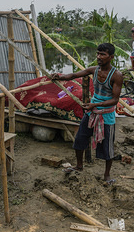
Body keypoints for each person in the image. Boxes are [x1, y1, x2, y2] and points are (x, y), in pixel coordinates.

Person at [51, 43, 122, 184]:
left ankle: (107, 175)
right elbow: (74, 75)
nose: (99, 57)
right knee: (80, 139)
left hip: (106, 115)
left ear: (111, 57)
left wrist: (95, 104)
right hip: (91, 112)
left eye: (103, 54)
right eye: (98, 53)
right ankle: (79, 166)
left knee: (108, 147)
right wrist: (59, 76)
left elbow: (114, 100)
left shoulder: (117, 75)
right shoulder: (94, 70)